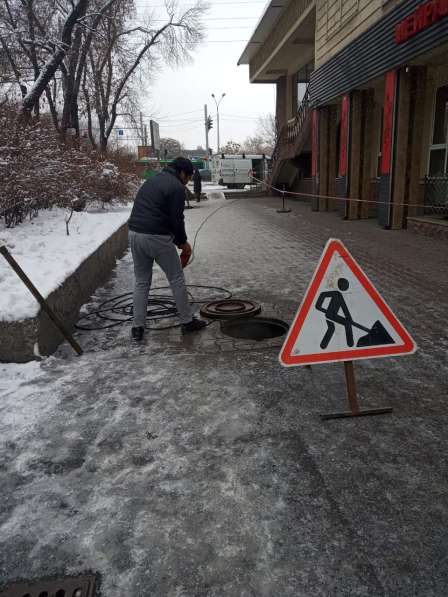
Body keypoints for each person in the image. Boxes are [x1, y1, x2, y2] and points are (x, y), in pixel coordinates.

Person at [128, 157, 207, 341]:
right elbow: (176, 220)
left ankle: (137, 328)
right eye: (188, 177)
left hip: (134, 234)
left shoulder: (153, 180)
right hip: (156, 236)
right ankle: (187, 322)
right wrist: (183, 243)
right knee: (176, 278)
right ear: (182, 172)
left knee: (141, 281)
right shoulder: (176, 187)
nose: (187, 181)